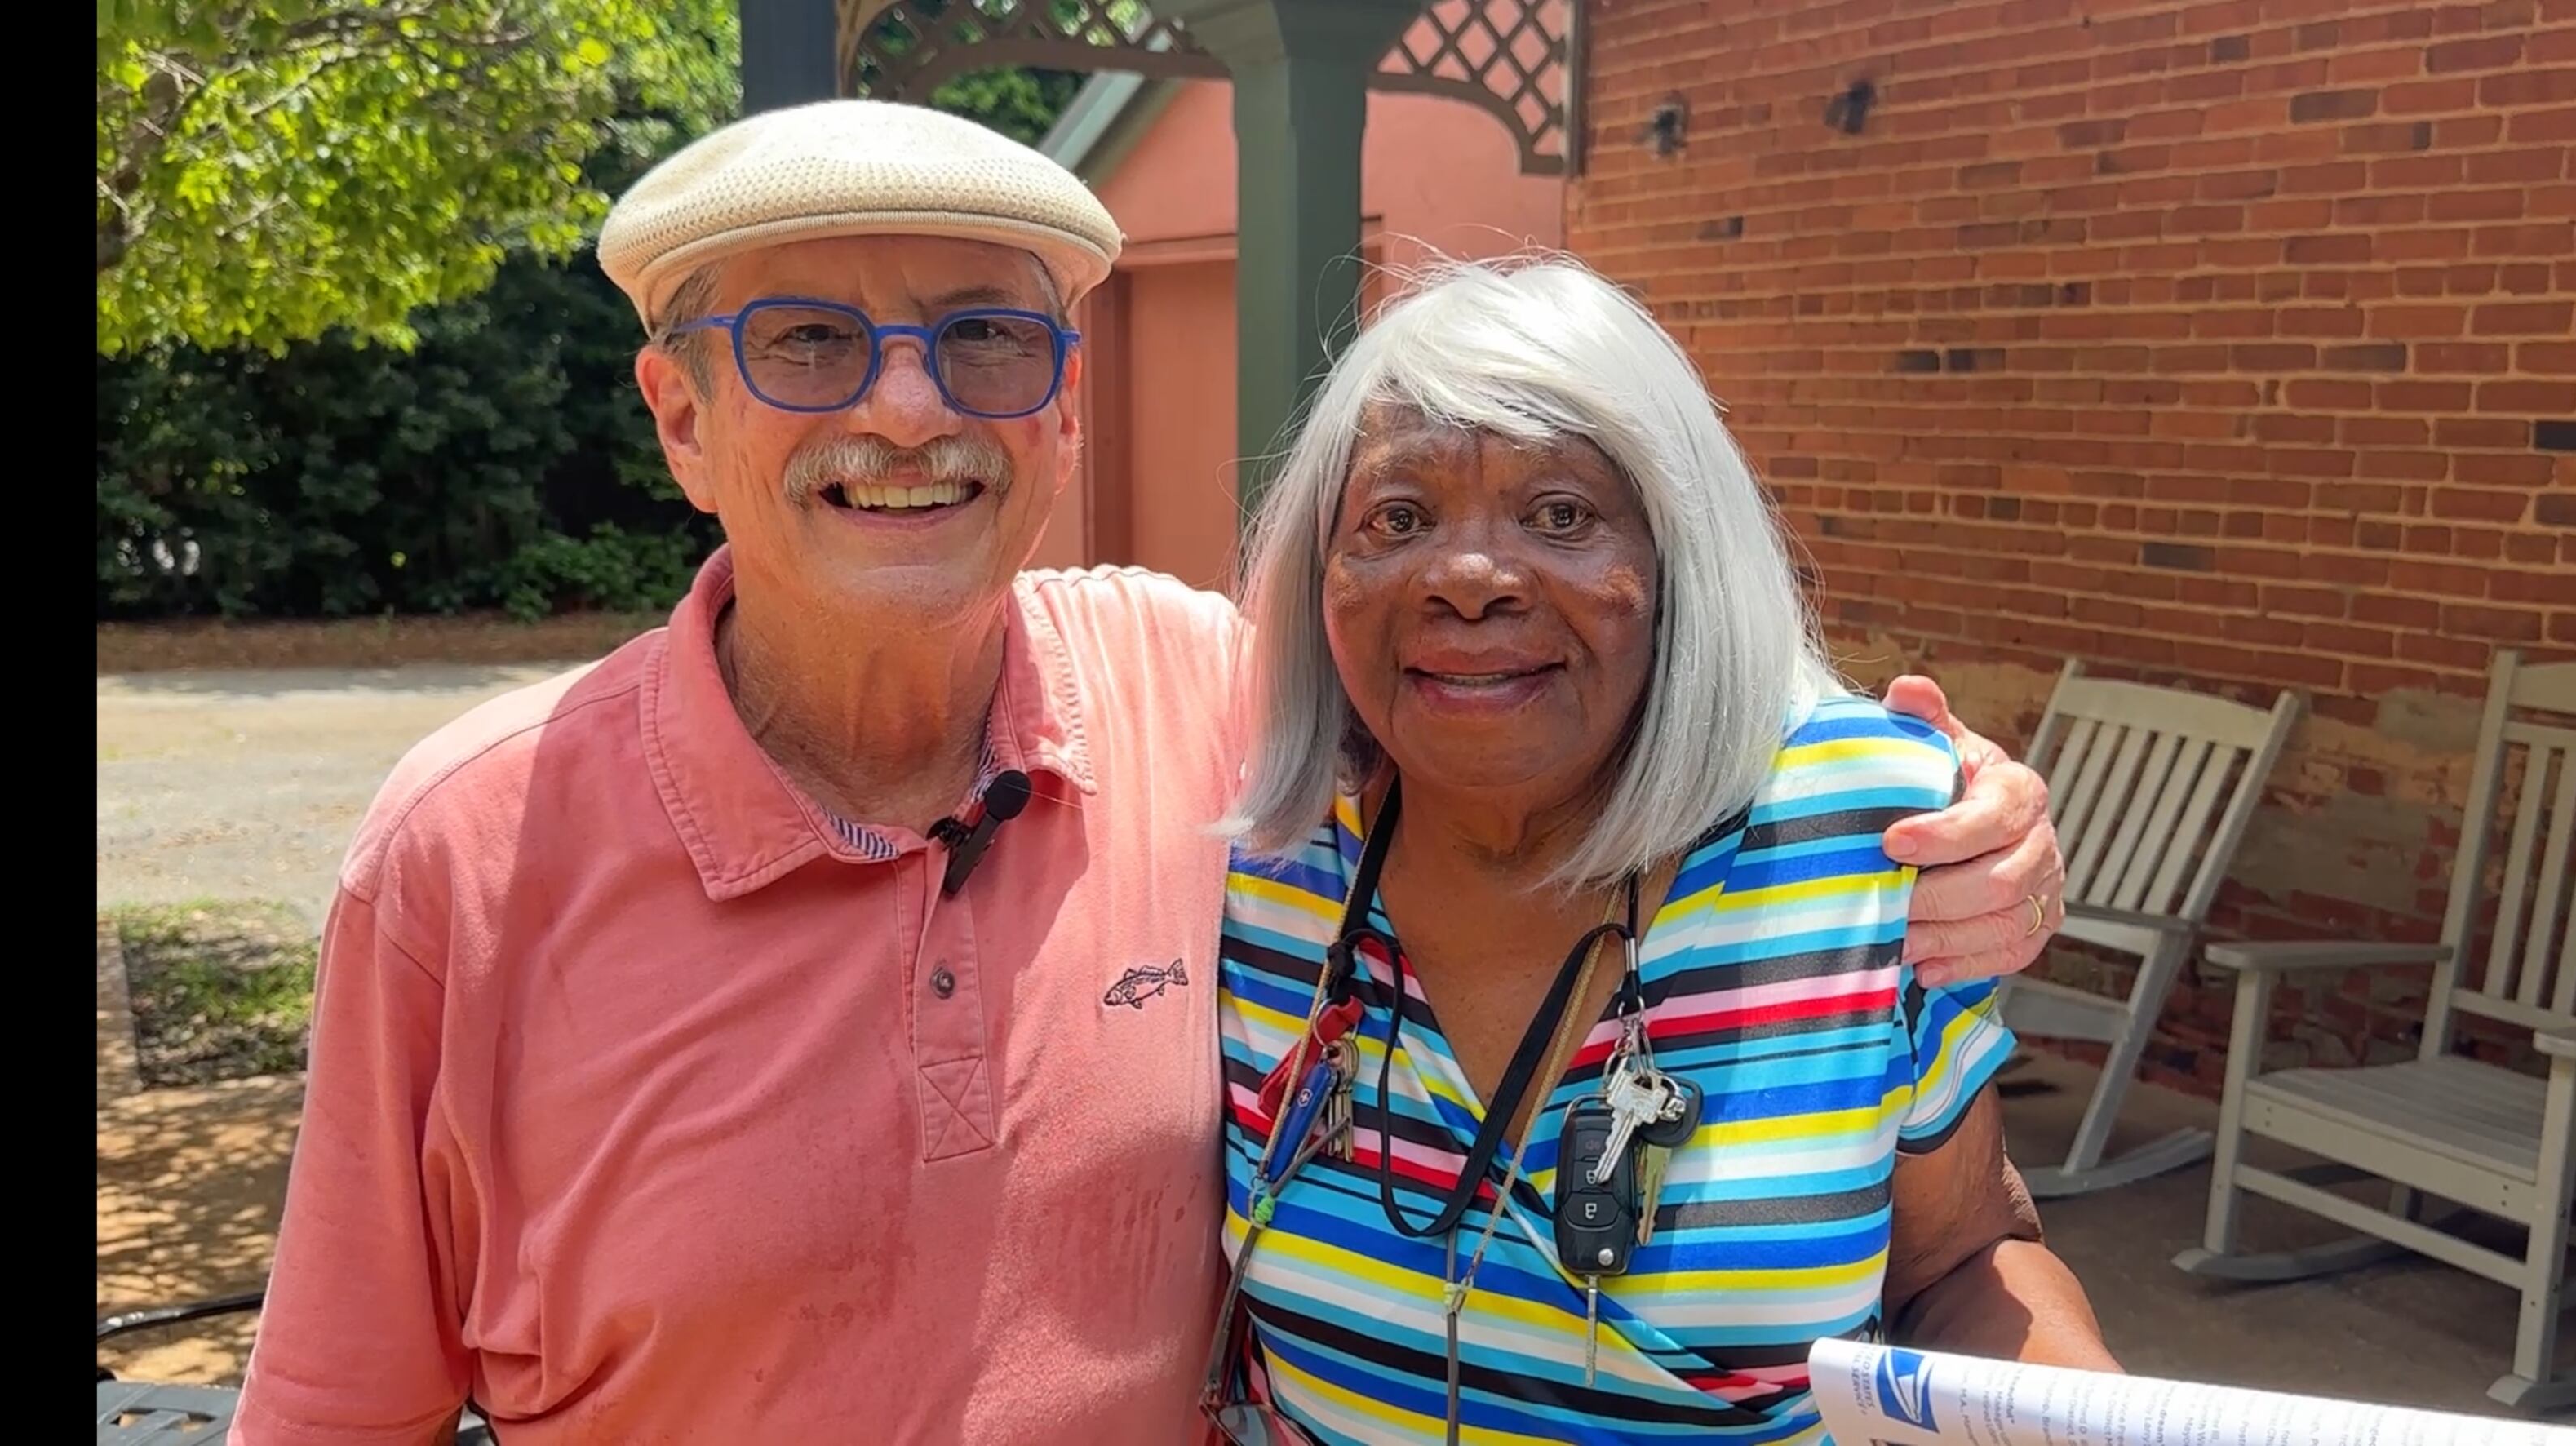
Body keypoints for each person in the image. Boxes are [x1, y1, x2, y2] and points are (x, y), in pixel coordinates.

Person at [230, 100, 2069, 1445]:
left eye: (981, 336)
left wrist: (1952, 809)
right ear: (680, 416)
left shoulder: (1206, 713)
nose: (904, 407)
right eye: (805, 342)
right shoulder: (466, 859)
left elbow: (1552, 677)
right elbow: (334, 1414)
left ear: (1062, 405)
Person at [1200, 258, 2117, 1446]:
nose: (1468, 579)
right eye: (1398, 518)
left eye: (1561, 514)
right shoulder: (1266, 871)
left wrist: (2089, 1417)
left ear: (1681, 560)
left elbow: (1960, 1259)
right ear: (1321, 576)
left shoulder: (1865, 837)